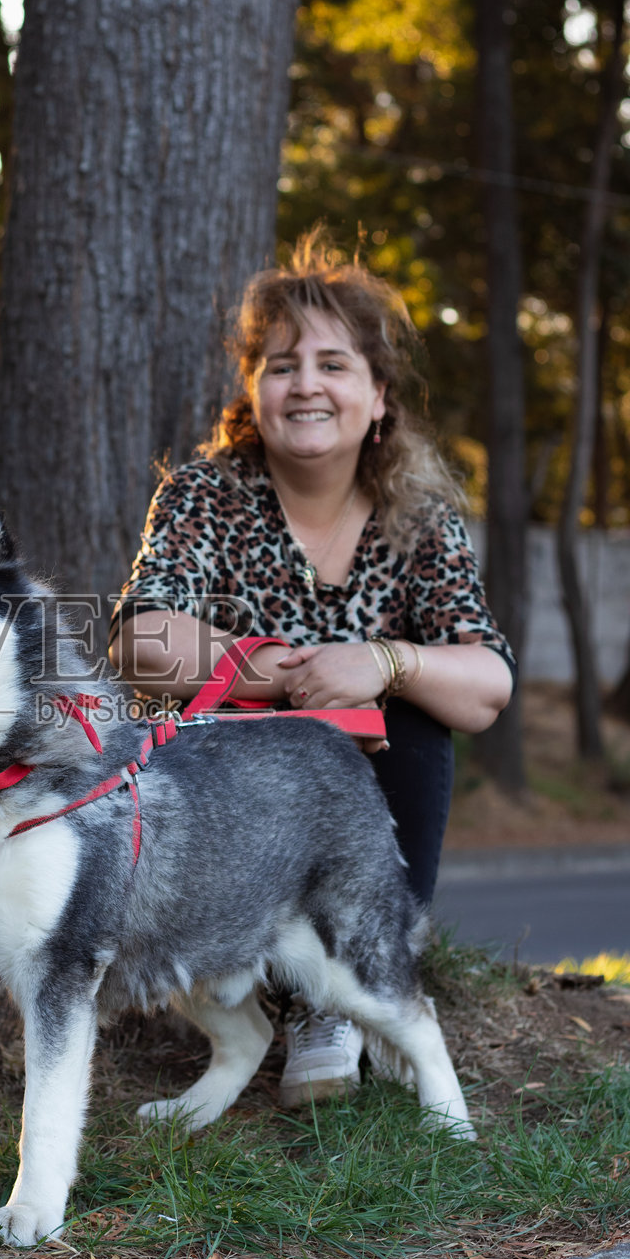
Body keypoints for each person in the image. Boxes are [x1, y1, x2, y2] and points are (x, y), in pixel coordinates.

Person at [109, 230, 515, 1108]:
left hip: (366, 771)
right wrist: (280, 678)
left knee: (416, 704)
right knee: (272, 735)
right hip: (233, 775)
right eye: (283, 364)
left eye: (334, 364)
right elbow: (138, 640)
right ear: (253, 392)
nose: (306, 385)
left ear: (377, 398)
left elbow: (487, 684)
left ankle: (365, 980)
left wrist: (381, 660)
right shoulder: (202, 495)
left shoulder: (420, 517)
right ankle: (291, 1000)